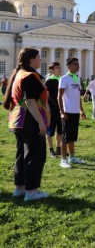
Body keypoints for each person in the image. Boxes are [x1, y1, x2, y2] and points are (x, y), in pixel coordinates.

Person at [3, 47, 49, 201]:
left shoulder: (18, 74)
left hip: (18, 121)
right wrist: (41, 123)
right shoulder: (29, 76)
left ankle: (20, 188)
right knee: (34, 156)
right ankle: (31, 192)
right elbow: (30, 101)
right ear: (31, 59)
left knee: (21, 155)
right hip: (29, 121)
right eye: (38, 57)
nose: (40, 60)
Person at [57, 57, 87, 169]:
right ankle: (63, 159)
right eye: (75, 64)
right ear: (68, 66)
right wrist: (62, 112)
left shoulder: (77, 78)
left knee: (72, 136)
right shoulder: (64, 79)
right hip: (67, 112)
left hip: (75, 112)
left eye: (78, 64)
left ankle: (72, 157)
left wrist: (81, 110)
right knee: (65, 137)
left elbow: (78, 96)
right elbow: (59, 96)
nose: (77, 66)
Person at [44, 62, 63, 158]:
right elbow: (45, 97)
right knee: (50, 130)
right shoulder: (49, 81)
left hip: (62, 109)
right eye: (57, 67)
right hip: (52, 109)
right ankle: (51, 150)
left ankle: (58, 148)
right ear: (51, 70)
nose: (59, 69)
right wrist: (47, 108)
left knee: (60, 130)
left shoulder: (62, 80)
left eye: (60, 67)